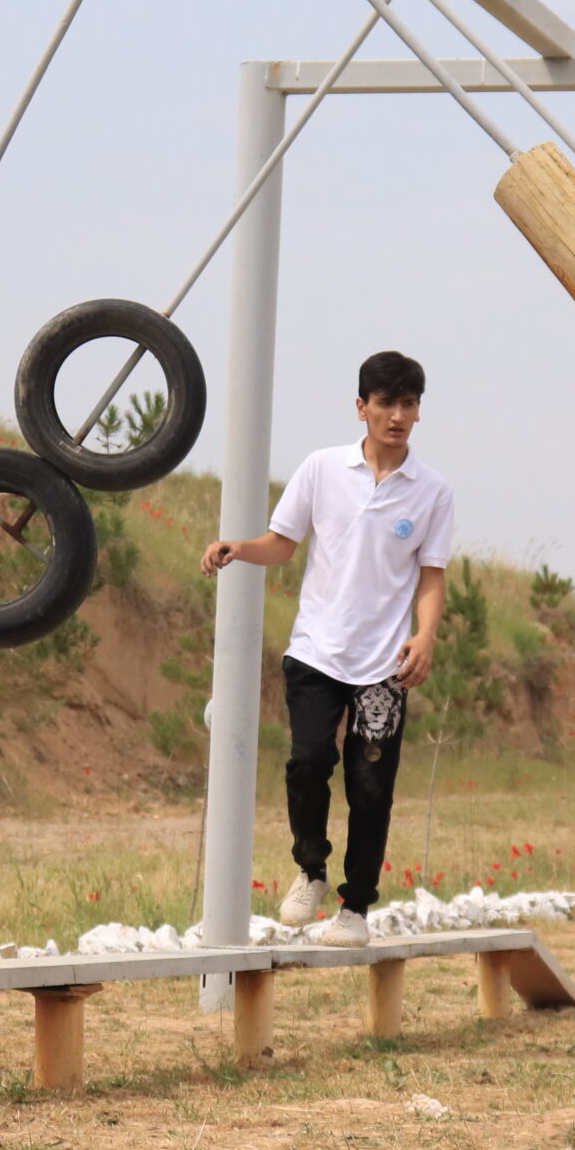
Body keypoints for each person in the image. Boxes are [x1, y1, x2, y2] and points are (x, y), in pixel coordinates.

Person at [199, 351, 452, 949]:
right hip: (316, 651)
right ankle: (310, 870)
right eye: (385, 403)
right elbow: (281, 545)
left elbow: (432, 578)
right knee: (309, 762)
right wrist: (237, 547)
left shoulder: (432, 492)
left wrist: (426, 636)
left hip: (384, 668)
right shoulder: (321, 469)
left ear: (418, 411)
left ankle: (355, 909)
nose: (396, 415)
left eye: (408, 404)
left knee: (371, 789)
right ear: (361, 407)